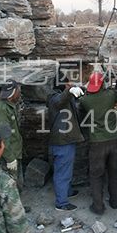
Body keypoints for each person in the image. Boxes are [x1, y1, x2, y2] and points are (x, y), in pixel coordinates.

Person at [78, 71, 117, 215]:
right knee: (114, 171)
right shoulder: (110, 95)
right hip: (114, 139)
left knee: (96, 175)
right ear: (102, 84)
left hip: (97, 142)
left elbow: (81, 111)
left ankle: (98, 206)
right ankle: (115, 201)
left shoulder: (85, 100)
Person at [47, 71, 85, 211]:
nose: (70, 84)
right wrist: (69, 90)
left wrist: (80, 88)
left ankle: (67, 191)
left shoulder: (62, 97)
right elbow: (60, 100)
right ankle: (61, 203)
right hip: (62, 142)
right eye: (68, 82)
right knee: (62, 172)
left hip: (66, 140)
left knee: (66, 169)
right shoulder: (54, 98)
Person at [0, 79, 24, 192]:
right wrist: (10, 158)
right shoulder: (2, 110)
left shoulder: (9, 105)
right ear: (14, 92)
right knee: (10, 187)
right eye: (18, 91)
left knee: (16, 184)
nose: (20, 93)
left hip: (15, 151)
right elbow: (2, 136)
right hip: (8, 154)